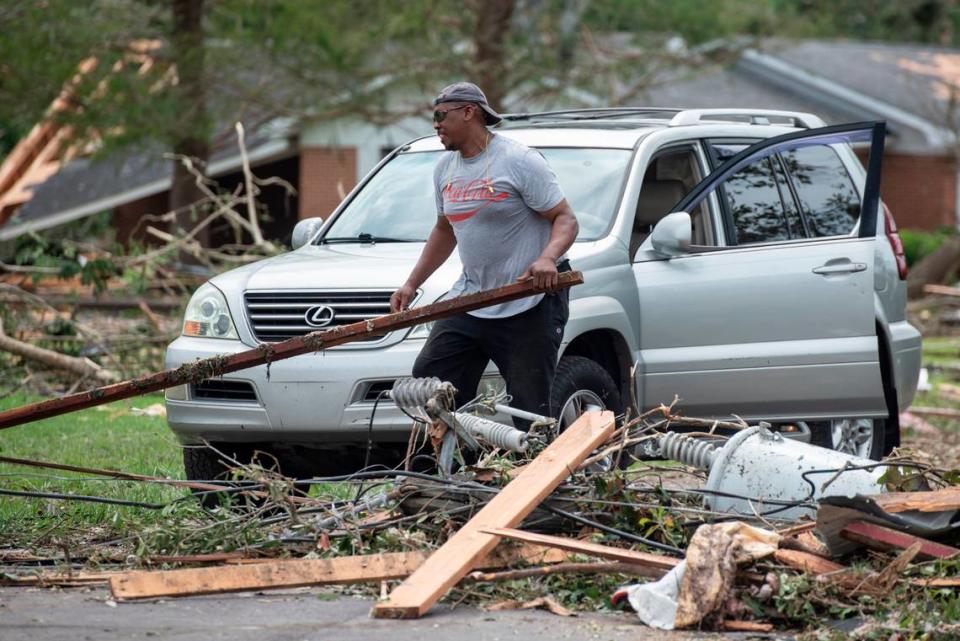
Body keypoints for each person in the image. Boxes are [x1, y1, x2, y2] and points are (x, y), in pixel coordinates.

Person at [390, 82, 579, 428]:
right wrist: (411, 283)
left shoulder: (518, 160)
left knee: (529, 404)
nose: (435, 124)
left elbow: (565, 218)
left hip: (528, 301)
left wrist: (547, 258)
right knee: (431, 380)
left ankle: (535, 473)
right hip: (472, 299)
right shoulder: (444, 169)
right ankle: (456, 467)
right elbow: (444, 229)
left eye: (440, 115)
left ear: (469, 112)